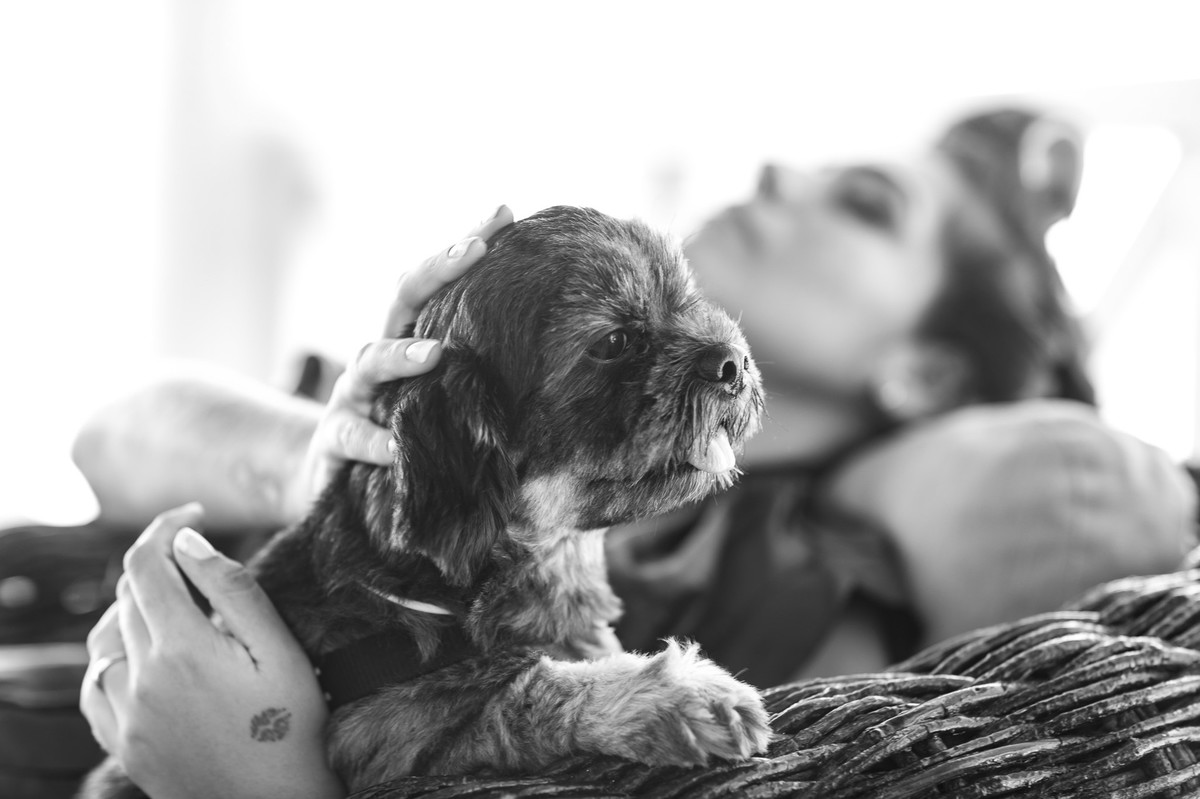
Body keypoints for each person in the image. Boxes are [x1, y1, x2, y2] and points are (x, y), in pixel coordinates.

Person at [74, 109, 1196, 797]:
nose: (772, 172)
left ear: (930, 375)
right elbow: (111, 431)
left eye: (863, 204)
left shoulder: (807, 584)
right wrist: (335, 469)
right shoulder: (457, 387)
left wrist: (260, 779)